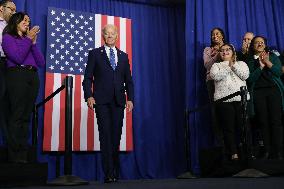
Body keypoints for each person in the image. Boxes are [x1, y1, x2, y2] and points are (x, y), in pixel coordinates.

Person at [82, 24, 134, 183]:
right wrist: (89, 96)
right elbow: (87, 78)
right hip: (101, 101)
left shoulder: (124, 56)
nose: (110, 36)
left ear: (117, 36)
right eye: (107, 34)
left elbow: (129, 81)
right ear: (103, 36)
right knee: (105, 136)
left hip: (119, 102)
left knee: (115, 137)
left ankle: (115, 171)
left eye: (113, 34)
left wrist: (130, 99)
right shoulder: (95, 54)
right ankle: (109, 173)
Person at [2, 12, 45, 163]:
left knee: (27, 116)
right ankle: (14, 154)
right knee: (18, 114)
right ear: (16, 22)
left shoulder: (28, 41)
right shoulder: (8, 38)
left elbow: (41, 62)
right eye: (24, 20)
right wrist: (28, 39)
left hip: (32, 77)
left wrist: (33, 44)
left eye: (29, 20)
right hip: (16, 76)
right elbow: (18, 57)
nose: (28, 23)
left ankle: (23, 152)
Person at [210, 43, 249, 160]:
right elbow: (215, 77)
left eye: (228, 49)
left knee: (243, 126)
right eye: (222, 50)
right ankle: (233, 153)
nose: (225, 52)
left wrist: (234, 66)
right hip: (224, 101)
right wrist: (228, 66)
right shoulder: (216, 66)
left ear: (233, 52)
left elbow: (245, 75)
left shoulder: (241, 63)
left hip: (240, 100)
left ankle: (246, 152)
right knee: (228, 128)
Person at [246, 36, 284, 160]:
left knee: (276, 122)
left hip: (274, 91)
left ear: (265, 45)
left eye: (262, 42)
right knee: (263, 122)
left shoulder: (273, 56)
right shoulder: (250, 61)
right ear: (253, 46)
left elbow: (278, 72)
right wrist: (261, 66)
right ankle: (267, 151)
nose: (260, 44)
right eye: (257, 42)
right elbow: (250, 79)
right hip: (258, 93)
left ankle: (278, 152)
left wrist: (267, 62)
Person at [203, 27, 225, 146]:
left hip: (227, 81)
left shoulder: (228, 48)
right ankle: (220, 144)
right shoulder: (207, 50)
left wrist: (223, 50)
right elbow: (207, 65)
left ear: (222, 35)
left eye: (217, 34)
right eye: (212, 34)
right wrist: (217, 55)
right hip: (212, 82)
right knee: (216, 112)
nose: (214, 36)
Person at [0, 0, 16, 146]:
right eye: (11, 9)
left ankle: (9, 144)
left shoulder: (12, 28)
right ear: (1, 8)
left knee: (8, 103)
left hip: (9, 65)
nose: (13, 12)